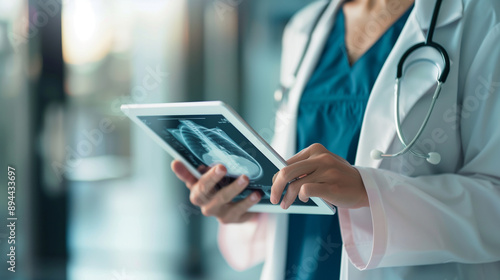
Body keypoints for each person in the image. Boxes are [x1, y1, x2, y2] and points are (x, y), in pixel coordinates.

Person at [171, 0, 500, 279]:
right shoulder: (305, 27)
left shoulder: (481, 19)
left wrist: (368, 190)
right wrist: (244, 206)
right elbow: (297, 184)